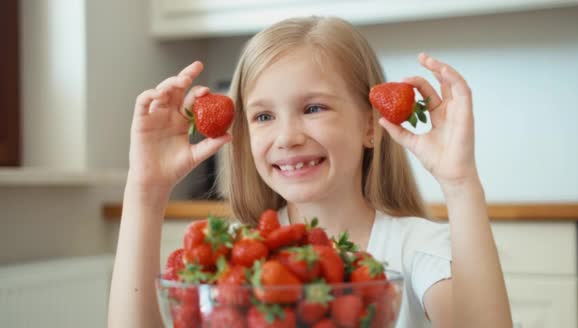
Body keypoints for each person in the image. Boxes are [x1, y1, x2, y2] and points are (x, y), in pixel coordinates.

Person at [108, 16, 512, 328]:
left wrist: (460, 185)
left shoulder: (416, 250)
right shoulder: (233, 254)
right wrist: (146, 189)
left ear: (371, 125)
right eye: (263, 115)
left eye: (313, 108)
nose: (287, 137)